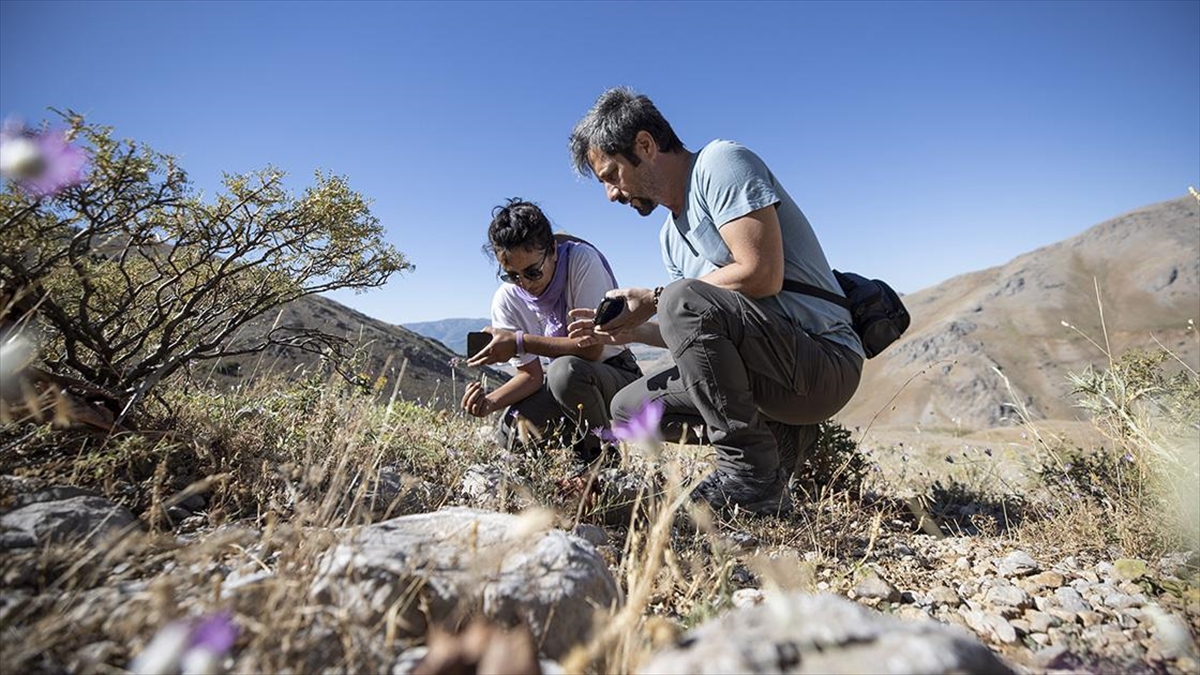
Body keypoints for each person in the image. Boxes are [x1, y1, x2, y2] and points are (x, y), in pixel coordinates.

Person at [566, 87, 864, 516]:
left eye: (611, 175)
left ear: (645, 146)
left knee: (682, 298)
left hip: (822, 360)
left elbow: (761, 273)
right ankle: (778, 445)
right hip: (771, 371)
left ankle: (750, 475)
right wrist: (632, 329)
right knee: (628, 410)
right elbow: (698, 334)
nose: (612, 193)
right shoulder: (670, 235)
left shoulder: (720, 163)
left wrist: (655, 299)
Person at [461, 198, 642, 472]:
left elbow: (591, 350)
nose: (525, 284)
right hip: (566, 388)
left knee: (563, 371)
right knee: (512, 432)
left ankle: (601, 462)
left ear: (553, 252)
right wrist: (489, 403)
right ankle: (554, 475)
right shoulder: (507, 299)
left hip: (615, 376)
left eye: (533, 271)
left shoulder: (581, 261)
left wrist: (519, 341)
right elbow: (531, 376)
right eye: (513, 275)